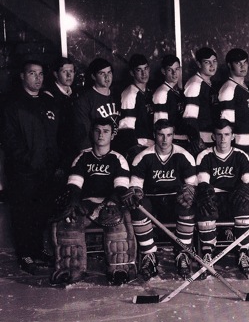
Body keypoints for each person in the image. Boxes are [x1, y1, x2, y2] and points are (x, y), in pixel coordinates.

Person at [50, 119, 134, 285]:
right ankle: (71, 269)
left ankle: (119, 269)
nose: (101, 135)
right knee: (69, 221)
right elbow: (74, 185)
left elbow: (121, 187)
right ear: (92, 133)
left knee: (117, 223)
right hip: (86, 204)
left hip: (110, 204)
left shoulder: (118, 159)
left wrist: (111, 202)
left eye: (106, 131)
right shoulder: (83, 157)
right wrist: (73, 201)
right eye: (97, 130)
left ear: (112, 135)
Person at [2, 60, 61, 273]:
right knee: (23, 213)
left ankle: (37, 250)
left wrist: (53, 162)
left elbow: (55, 136)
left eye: (40, 74)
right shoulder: (12, 105)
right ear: (22, 76)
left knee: (41, 212)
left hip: (46, 170)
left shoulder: (48, 102)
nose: (38, 78)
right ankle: (25, 255)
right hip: (23, 172)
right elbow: (10, 140)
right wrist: (27, 160)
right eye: (32, 73)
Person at [123, 119, 197, 280]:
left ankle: (183, 253)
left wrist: (189, 192)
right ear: (154, 135)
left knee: (188, 204)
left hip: (174, 202)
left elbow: (192, 184)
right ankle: (149, 255)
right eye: (161, 135)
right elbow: (136, 185)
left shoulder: (184, 156)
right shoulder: (143, 157)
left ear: (173, 135)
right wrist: (135, 193)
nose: (165, 140)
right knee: (137, 206)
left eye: (169, 135)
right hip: (153, 204)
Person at [195, 119, 249, 277]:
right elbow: (203, 182)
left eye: (227, 134)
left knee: (246, 203)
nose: (223, 139)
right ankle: (207, 252)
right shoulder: (205, 156)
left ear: (233, 136)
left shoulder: (240, 155)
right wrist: (206, 192)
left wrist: (246, 189)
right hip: (215, 199)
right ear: (213, 136)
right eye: (219, 135)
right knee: (205, 203)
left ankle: (243, 251)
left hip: (233, 199)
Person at [73, 57, 119, 154]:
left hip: (117, 148)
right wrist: (89, 155)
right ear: (93, 76)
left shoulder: (118, 95)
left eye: (109, 72)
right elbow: (83, 132)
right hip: (97, 151)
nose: (107, 77)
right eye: (102, 73)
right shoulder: (85, 100)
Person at [116, 54, 154, 158]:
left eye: (146, 68)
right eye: (139, 70)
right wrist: (135, 152)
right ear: (132, 73)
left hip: (151, 145)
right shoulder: (130, 94)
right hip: (139, 147)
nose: (144, 73)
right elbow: (126, 128)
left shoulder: (149, 92)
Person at [218, 48, 249, 157]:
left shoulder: (246, 87)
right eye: (238, 63)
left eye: (245, 62)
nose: (243, 66)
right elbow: (226, 124)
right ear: (230, 65)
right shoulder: (229, 89)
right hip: (238, 145)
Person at [45, 56, 78, 171]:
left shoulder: (76, 93)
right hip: (59, 152)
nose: (69, 75)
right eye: (64, 72)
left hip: (74, 148)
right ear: (55, 74)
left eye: (71, 71)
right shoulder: (49, 96)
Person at [183, 47, 218, 152]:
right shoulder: (195, 84)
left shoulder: (209, 83)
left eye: (214, 61)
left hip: (211, 138)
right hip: (201, 140)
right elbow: (189, 117)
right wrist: (196, 140)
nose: (212, 65)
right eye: (207, 62)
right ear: (199, 64)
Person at [153, 54, 189, 148]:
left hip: (182, 139)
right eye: (170, 70)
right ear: (163, 71)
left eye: (177, 69)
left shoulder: (178, 91)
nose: (174, 73)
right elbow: (161, 126)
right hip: (171, 141)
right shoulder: (161, 93)